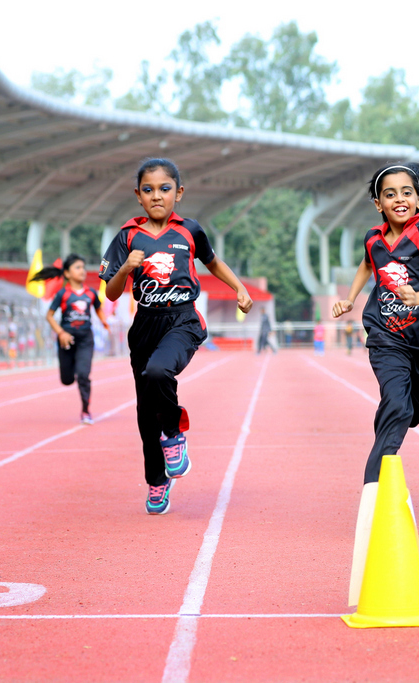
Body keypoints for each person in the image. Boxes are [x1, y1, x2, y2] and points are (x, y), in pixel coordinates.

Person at [332, 161, 419, 605]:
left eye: (407, 192)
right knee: (397, 406)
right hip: (386, 335)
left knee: (414, 411)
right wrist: (350, 298)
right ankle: (372, 493)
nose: (399, 199)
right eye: (390, 194)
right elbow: (368, 267)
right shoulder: (373, 239)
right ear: (378, 202)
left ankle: (392, 423)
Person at [101, 158, 253, 515]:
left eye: (165, 189)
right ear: (138, 196)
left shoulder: (189, 231)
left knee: (158, 372)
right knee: (144, 413)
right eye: (149, 190)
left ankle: (174, 432)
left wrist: (239, 289)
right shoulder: (127, 237)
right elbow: (110, 292)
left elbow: (213, 263)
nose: (157, 196)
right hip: (145, 326)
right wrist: (126, 267)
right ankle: (157, 482)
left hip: (182, 320)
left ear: (179, 193)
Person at [33, 254, 109, 424]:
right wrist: (61, 333)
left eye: (83, 267)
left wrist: (104, 321)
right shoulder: (63, 294)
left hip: (85, 340)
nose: (82, 270)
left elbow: (98, 309)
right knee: (67, 380)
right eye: (77, 267)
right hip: (66, 340)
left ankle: (85, 411)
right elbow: (50, 316)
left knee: (83, 375)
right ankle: (74, 363)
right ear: (67, 273)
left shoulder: (91, 293)